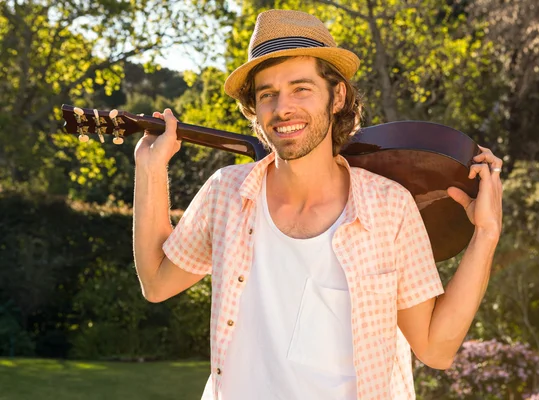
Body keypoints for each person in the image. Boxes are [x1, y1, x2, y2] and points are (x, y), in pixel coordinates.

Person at [132, 9, 503, 400]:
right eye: (267, 94)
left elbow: (435, 348)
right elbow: (157, 283)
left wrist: (487, 235)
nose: (282, 108)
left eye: (301, 88)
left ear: (337, 95)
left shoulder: (389, 207)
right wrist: (150, 170)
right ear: (253, 109)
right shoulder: (225, 193)